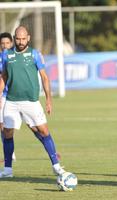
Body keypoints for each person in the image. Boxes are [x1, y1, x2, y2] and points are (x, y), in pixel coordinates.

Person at [0, 26, 66, 178]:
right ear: (14, 38)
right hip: (11, 101)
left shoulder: (35, 54)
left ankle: (56, 166)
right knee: (7, 133)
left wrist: (49, 100)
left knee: (44, 131)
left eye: (23, 39)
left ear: (28, 38)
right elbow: (3, 76)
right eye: (18, 39)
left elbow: (44, 77)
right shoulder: (6, 55)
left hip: (31, 102)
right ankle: (8, 170)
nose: (21, 41)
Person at [0, 32, 16, 161]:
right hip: (3, 95)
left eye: (7, 43)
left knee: (34, 126)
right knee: (2, 125)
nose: (5, 46)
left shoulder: (16, 57)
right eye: (2, 43)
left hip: (16, 95)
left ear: (11, 43)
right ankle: (10, 154)